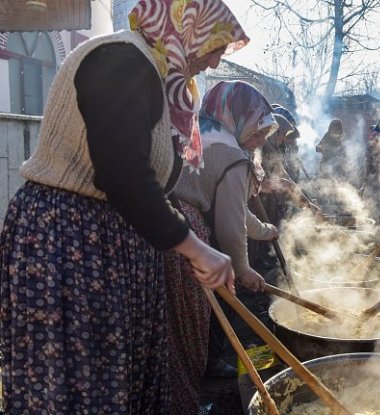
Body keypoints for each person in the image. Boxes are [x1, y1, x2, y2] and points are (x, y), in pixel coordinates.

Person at [0, 0, 246, 412]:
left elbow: (152, 184)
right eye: (216, 44)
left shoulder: (158, 78)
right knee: (82, 389)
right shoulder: (123, 59)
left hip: (109, 251)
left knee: (119, 386)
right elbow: (121, 173)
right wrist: (195, 247)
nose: (217, 59)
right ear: (187, 28)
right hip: (70, 246)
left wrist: (179, 243)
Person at [164, 80, 279, 414]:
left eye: (263, 136)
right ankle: (186, 404)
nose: (259, 142)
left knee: (168, 332)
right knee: (188, 332)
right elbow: (231, 225)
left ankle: (169, 398)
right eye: (257, 132)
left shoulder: (201, 132)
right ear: (238, 116)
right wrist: (243, 270)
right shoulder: (232, 155)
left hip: (164, 227)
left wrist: (263, 230)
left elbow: (236, 211)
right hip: (187, 237)